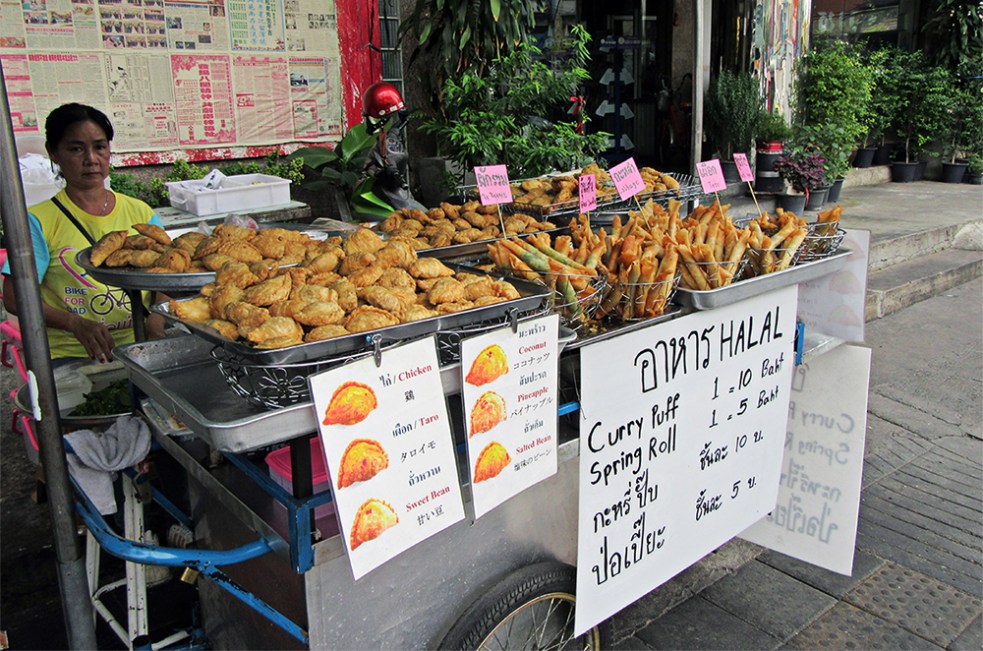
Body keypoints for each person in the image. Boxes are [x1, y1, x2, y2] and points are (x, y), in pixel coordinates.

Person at [2, 103, 166, 366]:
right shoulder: (38, 220)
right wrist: (74, 323)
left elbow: (168, 275)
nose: (91, 159)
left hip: (139, 347)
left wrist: (157, 318)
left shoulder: (140, 213)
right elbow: (14, 297)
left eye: (99, 147)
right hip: (72, 355)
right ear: (53, 153)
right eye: (76, 148)